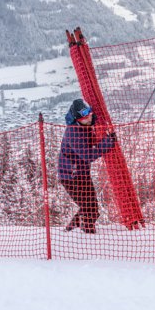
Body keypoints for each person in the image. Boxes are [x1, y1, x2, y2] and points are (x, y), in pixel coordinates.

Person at [57, 99, 116, 234]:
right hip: (70, 176)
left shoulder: (86, 123)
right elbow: (88, 155)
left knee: (92, 208)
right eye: (85, 118)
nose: (89, 119)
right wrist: (107, 142)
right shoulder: (73, 133)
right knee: (88, 207)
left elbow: (93, 120)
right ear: (77, 119)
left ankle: (71, 231)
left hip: (82, 173)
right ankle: (86, 233)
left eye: (89, 115)